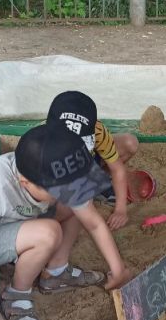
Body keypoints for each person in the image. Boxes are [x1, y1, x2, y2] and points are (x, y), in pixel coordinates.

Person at [0, 123, 131, 320]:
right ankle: (16, 295)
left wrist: (118, 269)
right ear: (25, 183)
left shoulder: (51, 174)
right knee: (48, 233)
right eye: (59, 188)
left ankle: (56, 271)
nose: (68, 189)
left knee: (77, 204)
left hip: (13, 221)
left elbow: (93, 222)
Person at [47, 91, 140, 230]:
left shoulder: (97, 130)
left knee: (130, 143)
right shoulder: (41, 137)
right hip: (60, 171)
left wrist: (121, 210)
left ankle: (99, 181)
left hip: (88, 162)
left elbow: (117, 169)